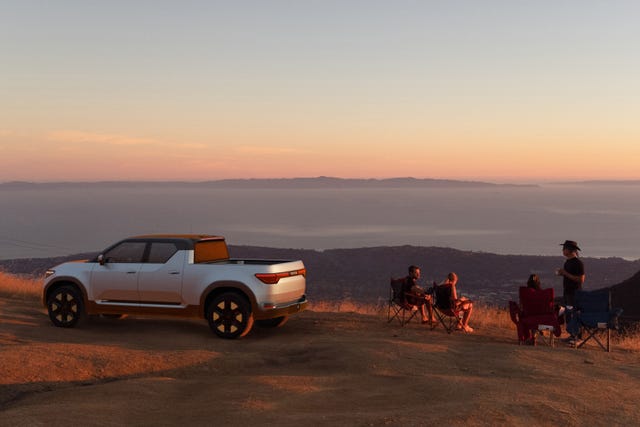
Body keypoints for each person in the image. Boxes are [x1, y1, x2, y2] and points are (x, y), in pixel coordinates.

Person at [556, 240, 585, 306]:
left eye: (564, 249)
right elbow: (569, 275)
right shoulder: (567, 262)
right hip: (567, 292)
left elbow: (581, 279)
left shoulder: (578, 263)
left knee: (572, 312)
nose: (562, 250)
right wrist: (562, 274)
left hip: (574, 293)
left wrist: (565, 273)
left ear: (570, 250)